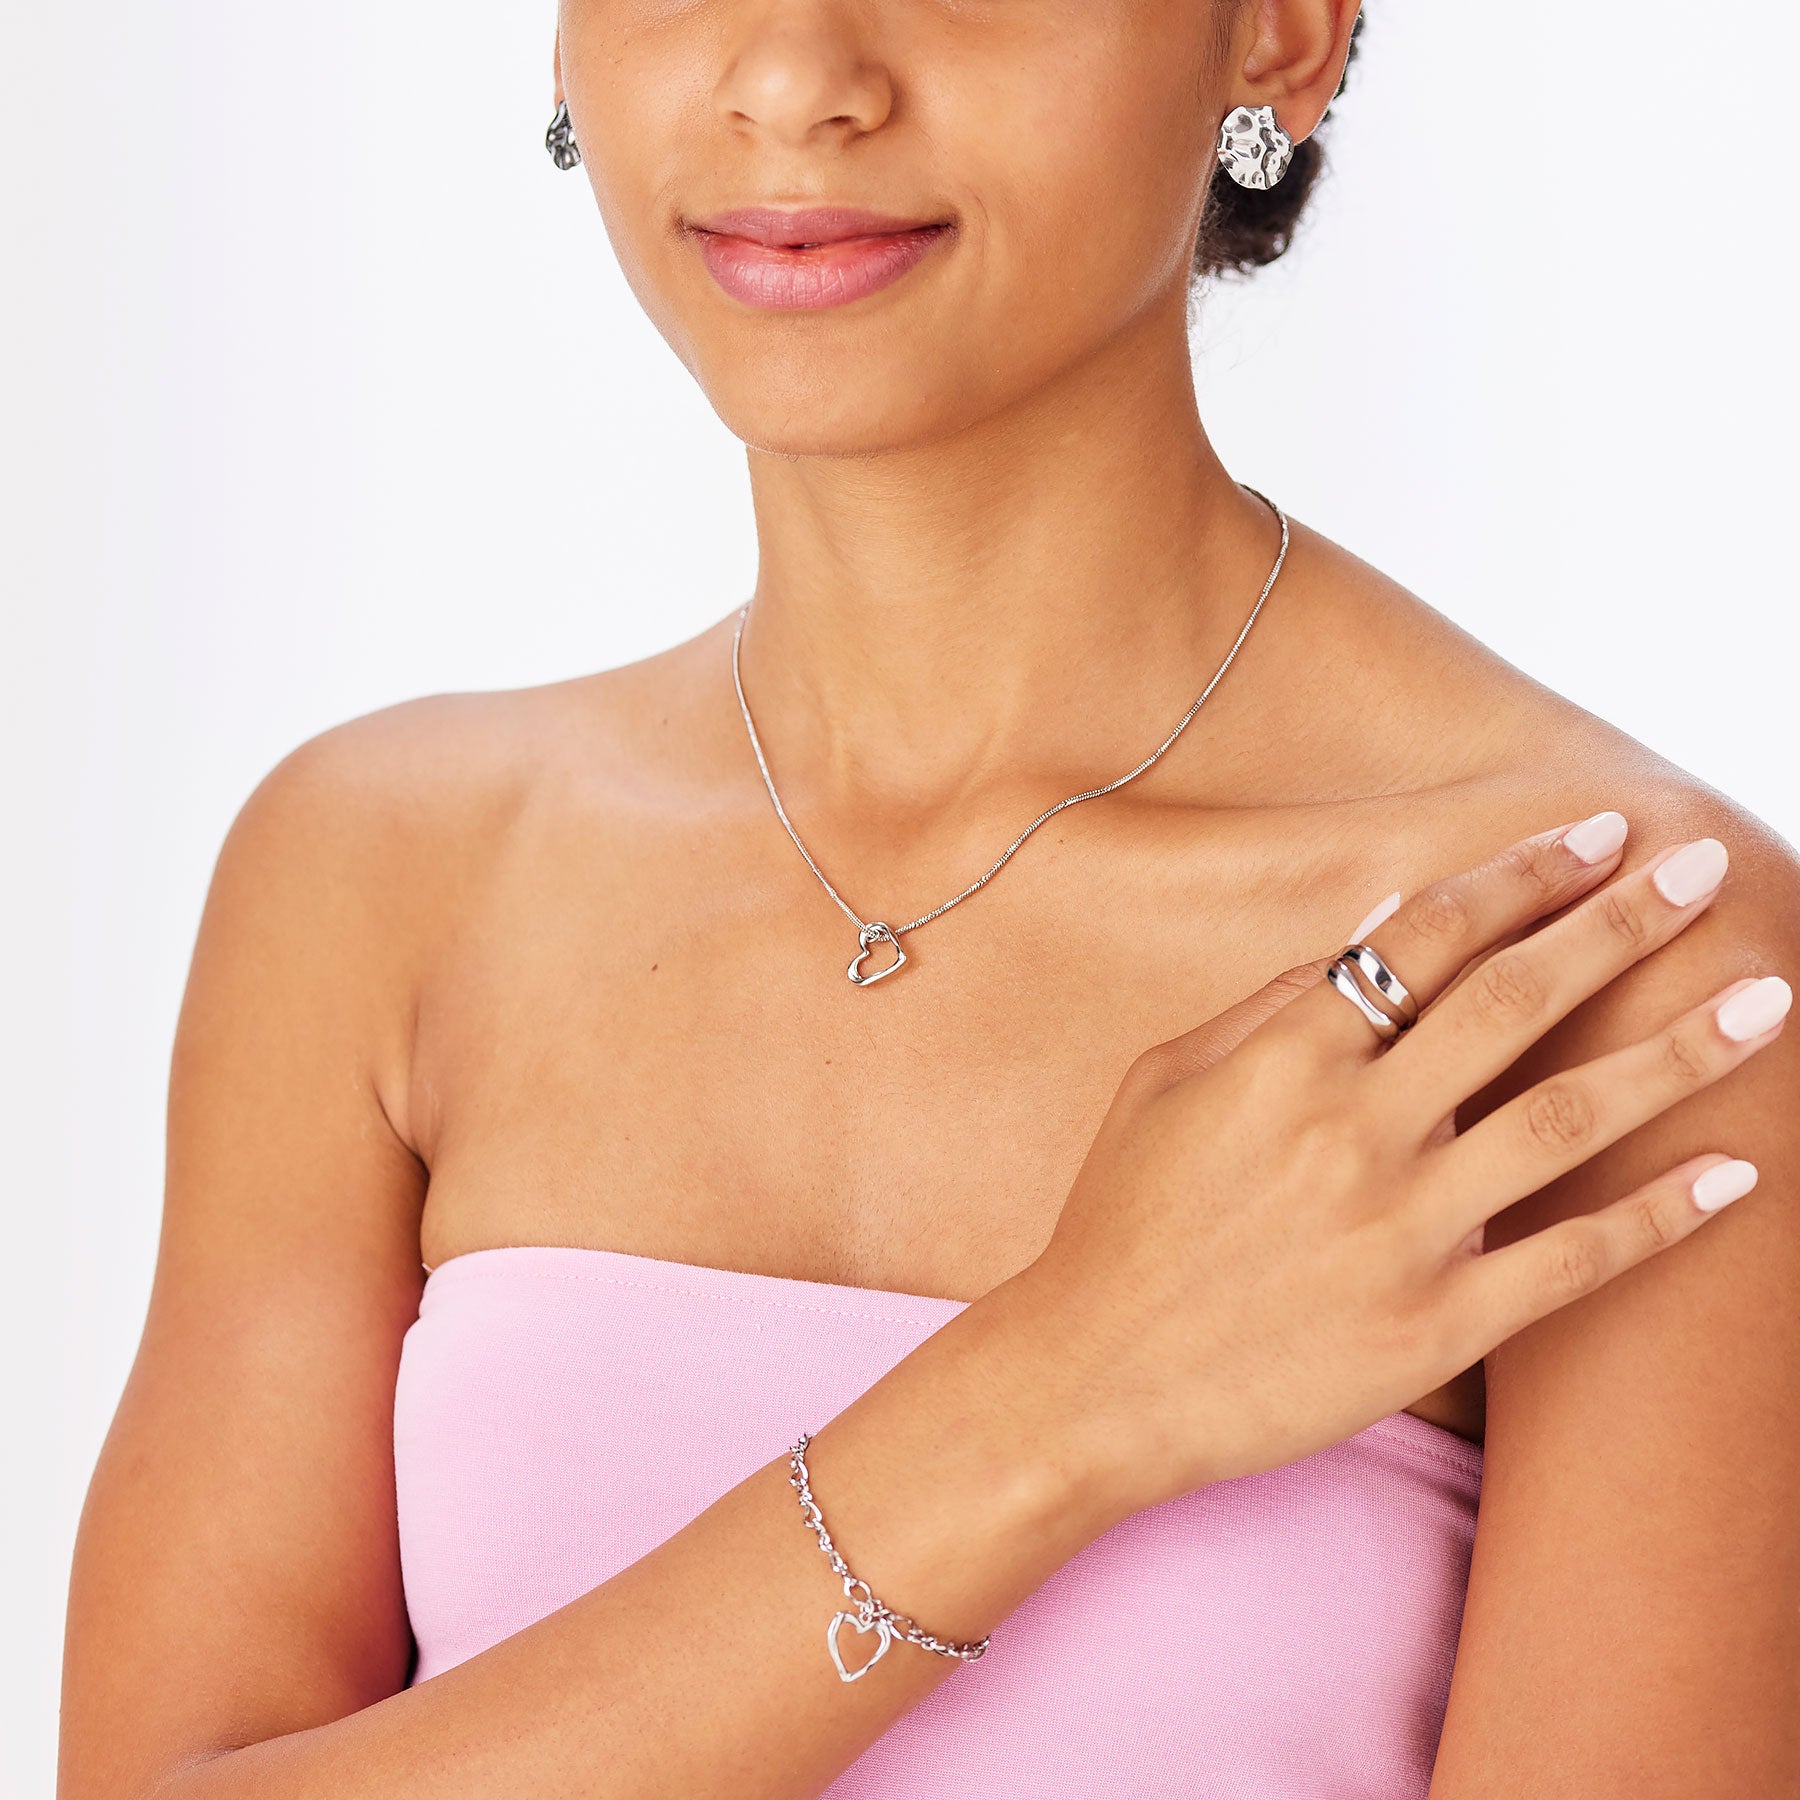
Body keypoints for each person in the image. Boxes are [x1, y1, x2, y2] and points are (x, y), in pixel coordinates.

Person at [59, 3, 1800, 1795]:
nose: (794, 76)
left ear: (1279, 36)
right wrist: (1059, 1389)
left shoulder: (1597, 960)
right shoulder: (385, 880)